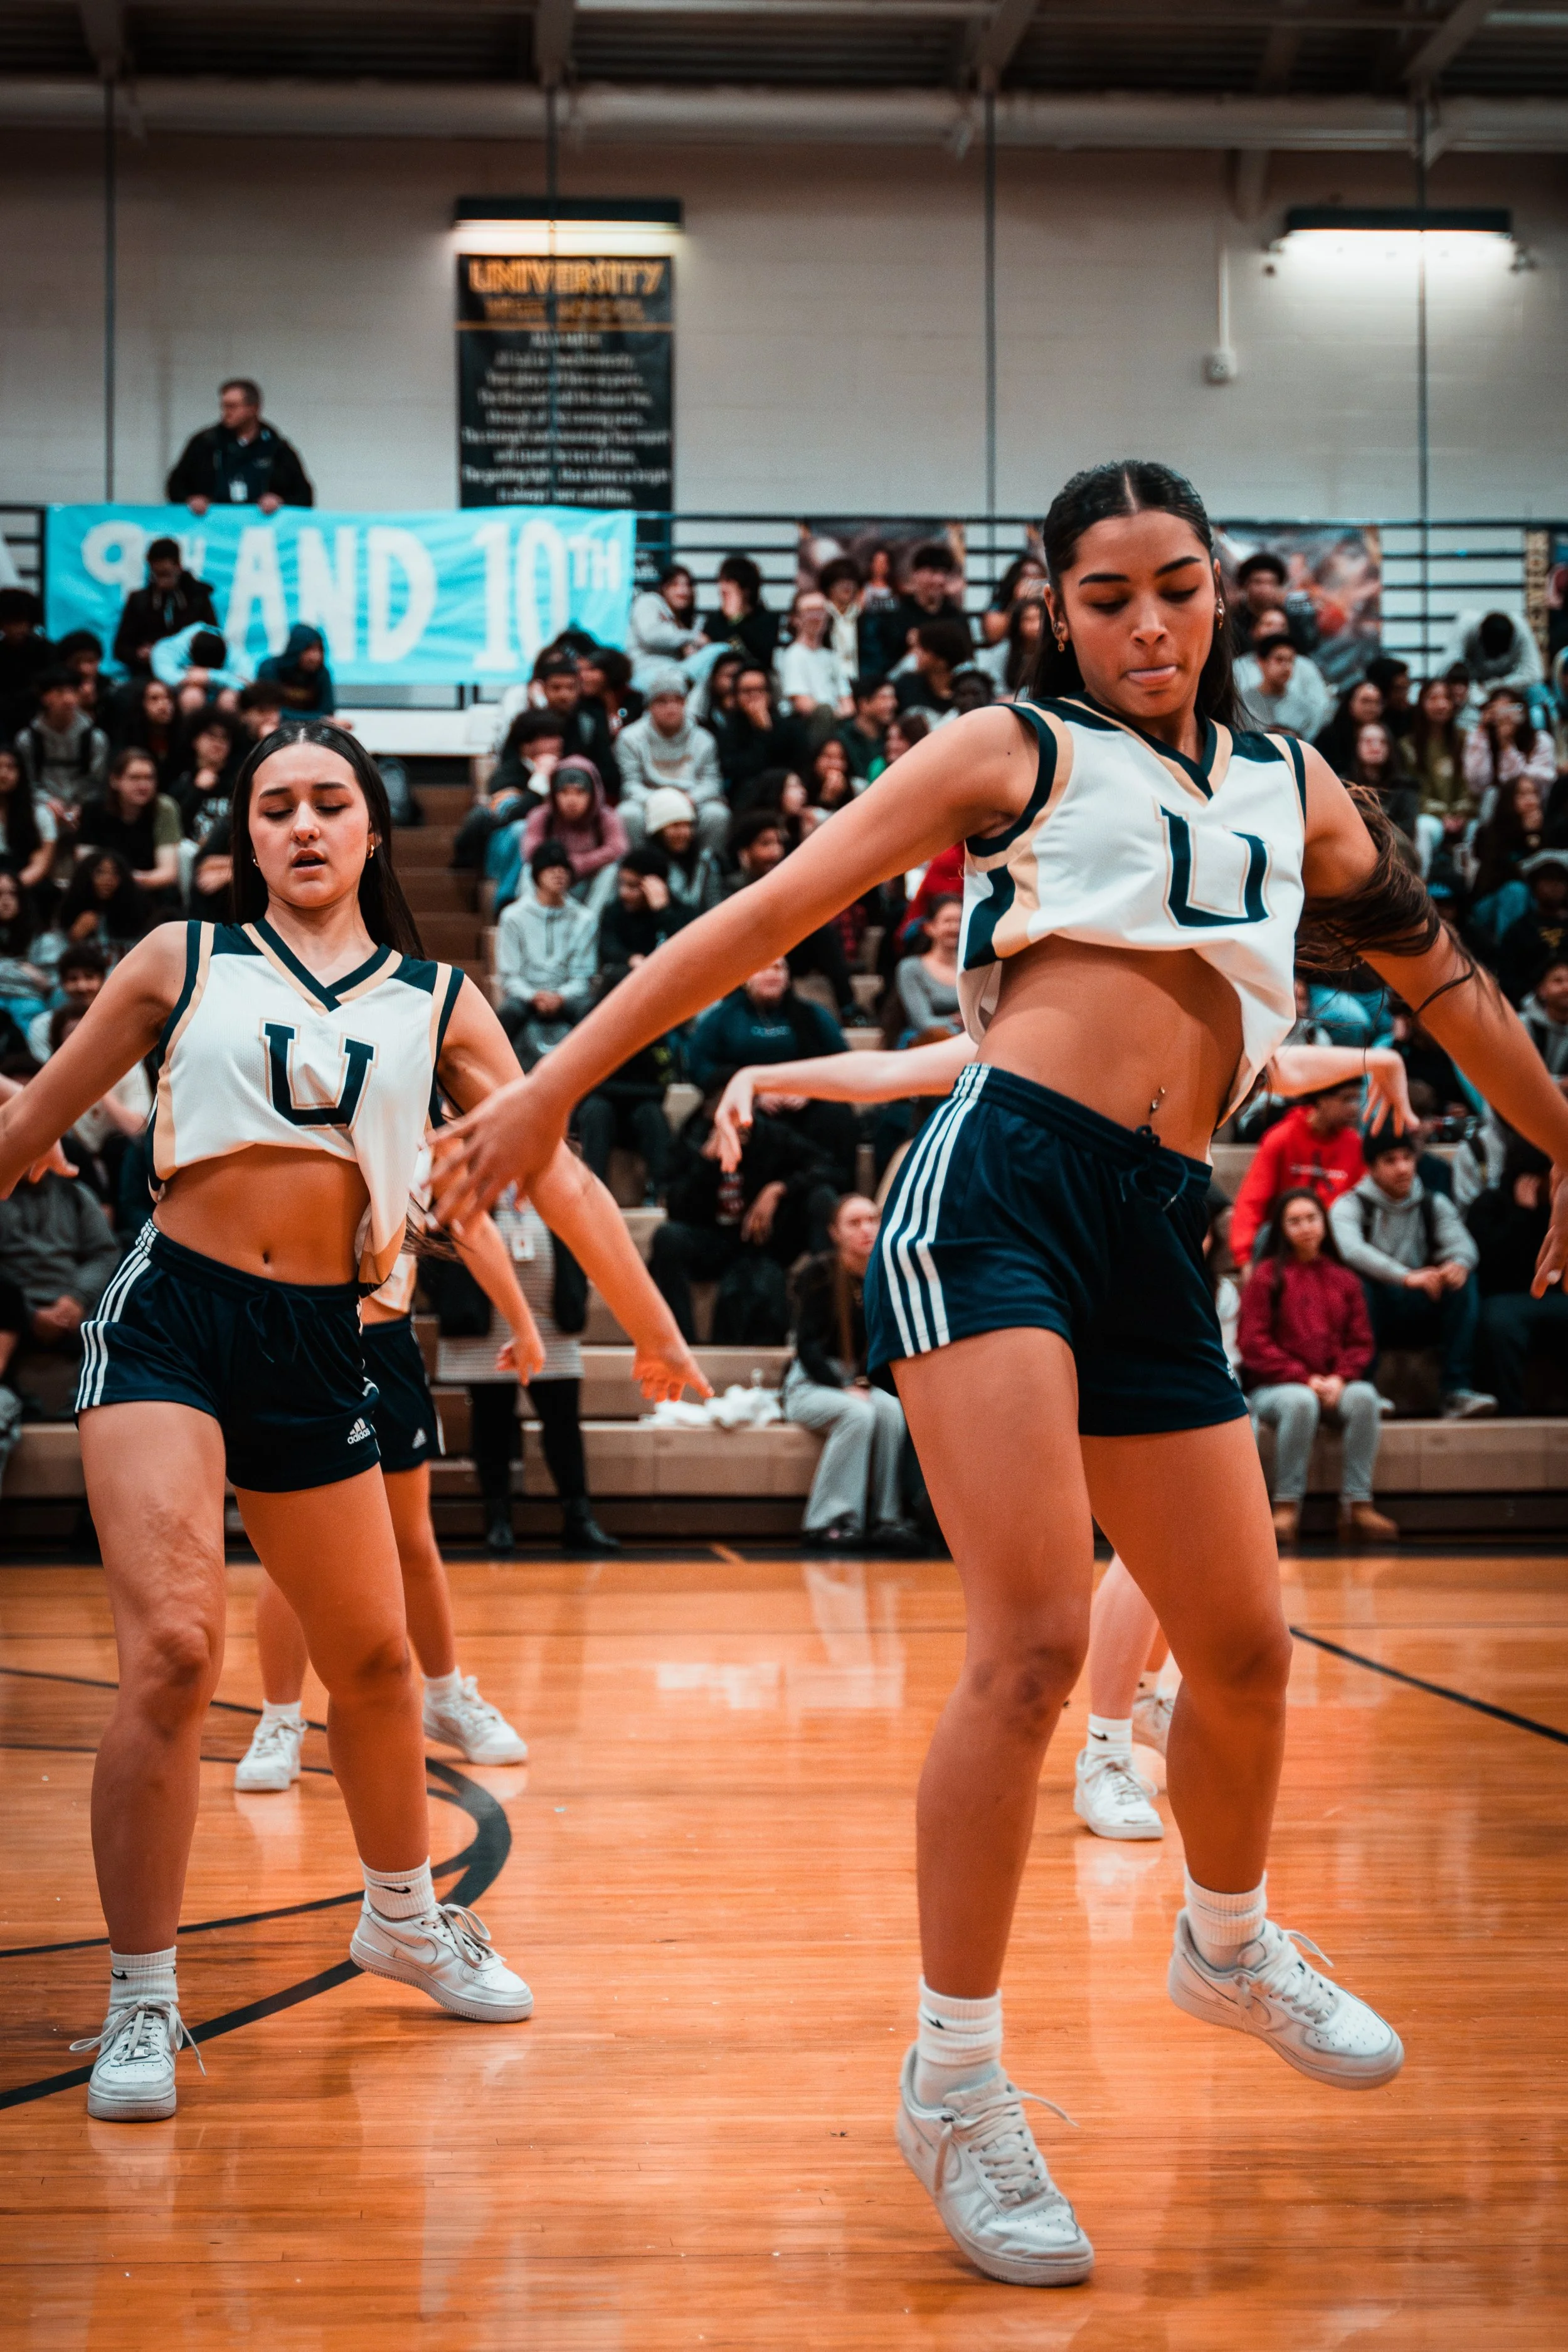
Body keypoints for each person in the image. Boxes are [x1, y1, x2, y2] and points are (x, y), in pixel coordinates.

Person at [436, 458, 1568, 2291]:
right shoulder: (1003, 749)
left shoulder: (1303, 791)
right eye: (1106, 592)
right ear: (1055, 603)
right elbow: (767, 910)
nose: (1145, 622)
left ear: (1222, 598)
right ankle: (953, 2077)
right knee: (1036, 1638)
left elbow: (1443, 989)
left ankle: (1221, 1937)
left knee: (1245, 1646)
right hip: (990, 1191)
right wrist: (556, 1077)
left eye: (1176, 587)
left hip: (1148, 1219)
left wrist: (1556, 1134)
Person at [0, 716, 705, 2125]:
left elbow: (553, 1174)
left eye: (331, 803)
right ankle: (144, 2001)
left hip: (328, 1340)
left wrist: (651, 1324)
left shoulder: (438, 1001)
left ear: (373, 831)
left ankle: (401, 1917)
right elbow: (24, 1139)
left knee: (377, 1665)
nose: (305, 826)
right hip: (174, 1324)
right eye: (277, 807)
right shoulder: (175, 962)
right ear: (246, 835)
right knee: (179, 1652)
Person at [235, 1185, 543, 1789]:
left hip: (386, 1342)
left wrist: (524, 1324)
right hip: (300, 1333)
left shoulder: (423, 1123)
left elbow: (471, 1224)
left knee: (411, 1539)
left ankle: (445, 1696)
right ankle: (280, 1720)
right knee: (292, 1553)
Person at [433, 1190, 618, 1555]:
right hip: (487, 1330)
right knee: (492, 1426)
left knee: (563, 1425)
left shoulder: (551, 1179)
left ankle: (579, 1517)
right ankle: (498, 1520)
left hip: (552, 1328)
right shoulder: (471, 1181)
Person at [1237, 1189, 1395, 1544]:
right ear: (1281, 1229)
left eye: (1312, 1218)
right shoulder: (1265, 1276)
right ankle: (1287, 1506)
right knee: (1300, 1402)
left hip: (1332, 1384)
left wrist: (1340, 1378)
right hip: (1275, 1388)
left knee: (1366, 1396)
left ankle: (1358, 1505)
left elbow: (1361, 1342)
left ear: (1324, 1223)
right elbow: (1254, 1344)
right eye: (1294, 1221)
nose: (1305, 1227)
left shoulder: (1345, 1278)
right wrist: (1304, 1378)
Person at [782, 1192, 919, 1554]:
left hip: (858, 1382)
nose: (866, 1229)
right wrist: (841, 1388)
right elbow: (807, 1348)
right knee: (858, 1413)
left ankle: (887, 1518)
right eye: (854, 1223)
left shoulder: (889, 1277)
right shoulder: (820, 1274)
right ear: (835, 1233)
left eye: (872, 1220)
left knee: (890, 1409)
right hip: (811, 1382)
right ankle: (829, 1520)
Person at [1330, 1131, 1496, 1419]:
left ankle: (1456, 1391)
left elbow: (1465, 1246)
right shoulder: (1350, 1205)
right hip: (1375, 1307)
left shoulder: (1433, 1203)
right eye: (1390, 1161)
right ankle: (1365, 1388)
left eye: (1408, 1158)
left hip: (1422, 1302)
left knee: (1464, 1282)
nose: (1403, 1168)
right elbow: (1352, 1251)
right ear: (1371, 1167)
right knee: (1358, 1285)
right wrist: (1406, 1276)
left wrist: (1458, 1263)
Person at [651, 1104, 834, 1345]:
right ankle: (679, 1342)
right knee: (667, 1238)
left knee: (822, 1197)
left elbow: (829, 1168)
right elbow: (677, 1209)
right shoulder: (696, 1139)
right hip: (713, 1240)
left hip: (763, 1242)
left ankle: (822, 1326)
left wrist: (780, 1188)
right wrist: (706, 1163)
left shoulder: (772, 1137)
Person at [576, 847, 691, 1203]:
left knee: (651, 1115)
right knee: (595, 1111)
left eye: (632, 886)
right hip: (626, 982)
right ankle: (588, 1193)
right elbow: (610, 952)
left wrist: (662, 911)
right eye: (622, 885)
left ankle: (663, 1192)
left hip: (664, 1002)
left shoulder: (678, 914)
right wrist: (635, 965)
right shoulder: (614, 913)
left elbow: (689, 954)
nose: (624, 893)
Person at [1469, 1138, 1568, 1414]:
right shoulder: (1489, 1205)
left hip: (1560, 1297)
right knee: (1498, 1323)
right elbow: (1491, 1264)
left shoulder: (1565, 1208)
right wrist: (1523, 1216)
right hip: (1506, 1298)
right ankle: (1510, 1409)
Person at [1229, 1076, 1367, 1266]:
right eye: (1346, 1099)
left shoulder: (1354, 1144)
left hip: (1334, 1238)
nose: (1355, 1108)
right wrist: (1243, 1256)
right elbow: (1253, 1199)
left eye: (1358, 1099)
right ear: (1321, 1099)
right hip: (1287, 1235)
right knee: (1267, 1233)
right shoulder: (1282, 1137)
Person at [494, 840, 600, 1066]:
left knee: (593, 1014)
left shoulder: (584, 918)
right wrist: (534, 996)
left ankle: (591, 1085)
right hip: (526, 997)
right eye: (551, 868)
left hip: (568, 998)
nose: (559, 874)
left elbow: (583, 976)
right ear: (537, 875)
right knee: (506, 1015)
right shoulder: (513, 917)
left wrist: (560, 996)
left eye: (564, 869)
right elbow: (510, 975)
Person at [613, 665, 727, 851]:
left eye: (677, 701)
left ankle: (708, 869)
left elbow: (712, 783)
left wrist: (689, 799)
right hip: (649, 801)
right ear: (650, 706)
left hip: (691, 800)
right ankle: (637, 869)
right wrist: (662, 800)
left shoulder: (703, 739)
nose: (671, 708)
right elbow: (630, 786)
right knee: (627, 814)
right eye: (662, 702)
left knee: (717, 814)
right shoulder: (630, 738)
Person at [166, 378, 314, 512]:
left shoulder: (277, 448)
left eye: (233, 407)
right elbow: (175, 486)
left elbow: (304, 495)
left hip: (258, 533)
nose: (226, 413)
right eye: (224, 406)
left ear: (253, 409)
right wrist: (191, 500)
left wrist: (279, 502)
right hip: (214, 532)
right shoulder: (205, 443)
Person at [77, 748, 183, 914]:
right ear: (115, 781)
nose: (143, 785)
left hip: (147, 889)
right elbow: (86, 863)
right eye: (135, 778)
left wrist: (125, 881)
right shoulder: (93, 809)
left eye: (149, 778)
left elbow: (168, 873)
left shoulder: (164, 808)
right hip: (102, 889)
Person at [517, 757, 627, 918]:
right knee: (528, 871)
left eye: (580, 792)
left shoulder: (606, 817)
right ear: (554, 794)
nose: (571, 800)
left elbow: (617, 849)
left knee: (611, 872)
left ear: (593, 793)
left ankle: (591, 926)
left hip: (589, 887)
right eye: (564, 792)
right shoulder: (541, 816)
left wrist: (579, 864)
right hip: (551, 884)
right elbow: (532, 852)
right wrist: (563, 867)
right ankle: (533, 920)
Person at [112, 540, 219, 672]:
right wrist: (138, 654)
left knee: (192, 694)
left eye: (166, 574)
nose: (161, 581)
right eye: (157, 575)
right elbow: (121, 648)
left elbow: (215, 639)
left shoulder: (199, 598)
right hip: (148, 673)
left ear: (179, 567)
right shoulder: (139, 601)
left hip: (190, 672)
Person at [14, 669, 108, 807]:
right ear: (45, 697)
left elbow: (96, 782)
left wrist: (79, 806)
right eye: (60, 692)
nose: (68, 699)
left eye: (73, 692)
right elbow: (27, 782)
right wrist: (48, 802)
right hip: (41, 806)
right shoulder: (27, 739)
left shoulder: (95, 738)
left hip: (84, 806)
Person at [1496, 850, 1568, 1007]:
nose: (1554, 887)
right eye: (1548, 880)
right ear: (1534, 886)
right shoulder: (1518, 931)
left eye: (1560, 881)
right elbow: (1508, 979)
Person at [1234, 630, 1332, 742]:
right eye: (1279, 660)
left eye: (1290, 660)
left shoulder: (1305, 709)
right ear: (1261, 662)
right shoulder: (1242, 704)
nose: (1286, 667)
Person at [640, 786, 724, 917]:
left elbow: (717, 907)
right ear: (658, 831)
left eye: (688, 825)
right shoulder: (646, 868)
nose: (684, 833)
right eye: (675, 826)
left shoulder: (705, 861)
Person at [777, 587, 853, 728]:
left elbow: (847, 701)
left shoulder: (831, 656)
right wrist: (836, 715)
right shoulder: (793, 655)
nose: (816, 617)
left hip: (837, 723)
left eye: (821, 610)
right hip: (809, 725)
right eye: (809, 611)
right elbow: (802, 704)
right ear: (796, 619)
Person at [893, 895, 963, 1040]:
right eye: (948, 921)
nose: (956, 927)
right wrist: (956, 1021)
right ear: (930, 928)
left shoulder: (974, 966)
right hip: (927, 1041)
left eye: (961, 921)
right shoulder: (911, 968)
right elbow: (922, 1022)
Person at [626, 563, 707, 684]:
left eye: (687, 586)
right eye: (676, 585)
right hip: (645, 673)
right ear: (664, 587)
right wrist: (693, 637)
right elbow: (651, 636)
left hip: (674, 673)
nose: (683, 591)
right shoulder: (649, 601)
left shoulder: (690, 620)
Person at [1229, 549, 1318, 657]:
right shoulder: (1233, 621)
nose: (1265, 589)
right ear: (1246, 585)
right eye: (1258, 582)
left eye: (1271, 583)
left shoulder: (1291, 619)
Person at [701, 553, 781, 672]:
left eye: (729, 581)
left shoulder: (767, 620)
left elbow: (761, 658)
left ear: (746, 590)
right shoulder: (715, 620)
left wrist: (736, 620)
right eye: (721, 581)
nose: (722, 587)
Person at [0, 743, 55, 898]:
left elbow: (41, 865)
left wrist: (9, 890)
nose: (3, 774)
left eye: (10, 768)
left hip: (23, 883)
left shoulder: (41, 814)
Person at [1350, 718, 1417, 844]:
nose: (1375, 747)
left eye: (1382, 742)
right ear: (1357, 745)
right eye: (1368, 741)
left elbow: (1407, 832)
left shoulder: (1404, 786)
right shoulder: (1344, 786)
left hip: (1396, 853)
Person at [0, 586, 55, 741]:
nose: (16, 629)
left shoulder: (47, 651)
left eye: (20, 622)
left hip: (38, 716)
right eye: (10, 623)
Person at [257, 623, 336, 718]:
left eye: (320, 650)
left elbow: (327, 713)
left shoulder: (322, 674)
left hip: (311, 731)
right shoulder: (270, 669)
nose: (316, 657)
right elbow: (270, 713)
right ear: (296, 649)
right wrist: (318, 719)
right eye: (309, 649)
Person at [1312, 675, 1383, 774]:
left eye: (1377, 702)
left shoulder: (1385, 734)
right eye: (1365, 701)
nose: (1372, 707)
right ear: (1350, 703)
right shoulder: (1329, 737)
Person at [837, 675, 898, 785]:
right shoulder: (843, 739)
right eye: (884, 698)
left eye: (892, 698)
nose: (893, 704)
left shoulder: (893, 738)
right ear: (864, 704)